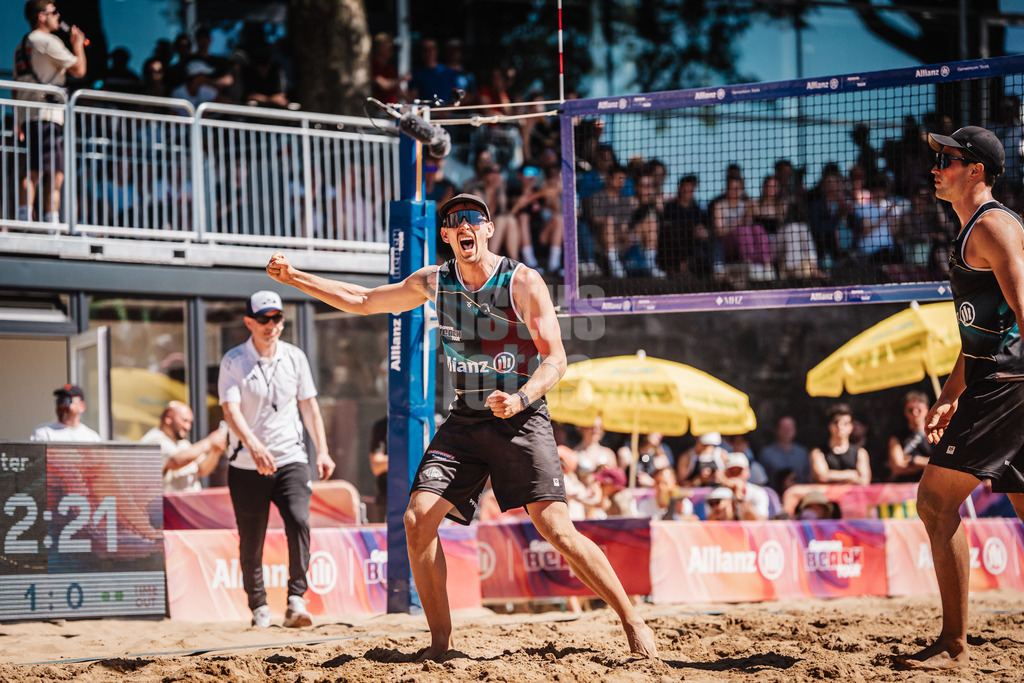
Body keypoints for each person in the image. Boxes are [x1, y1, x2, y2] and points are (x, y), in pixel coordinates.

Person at [266, 192, 658, 661]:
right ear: (447, 236)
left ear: (488, 229)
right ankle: (441, 646)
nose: (462, 224)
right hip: (466, 420)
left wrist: (520, 398)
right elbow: (364, 299)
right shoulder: (435, 281)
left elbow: (556, 358)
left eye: (473, 218)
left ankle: (632, 620)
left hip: (522, 417)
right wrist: (295, 278)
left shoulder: (524, 281)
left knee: (556, 529)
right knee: (417, 521)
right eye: (452, 222)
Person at [896, 125, 1024, 670]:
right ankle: (952, 643)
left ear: (976, 170)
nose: (936, 165)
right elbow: (982, 331)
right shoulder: (977, 229)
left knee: (933, 502)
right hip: (992, 379)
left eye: (948, 158)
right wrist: (952, 392)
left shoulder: (993, 227)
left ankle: (952, 646)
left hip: (1007, 386)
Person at [218, 290, 336, 629]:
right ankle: (258, 607)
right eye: (265, 319)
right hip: (246, 463)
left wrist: (323, 449)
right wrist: (253, 445)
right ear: (249, 322)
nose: (272, 325)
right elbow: (230, 410)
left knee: (299, 521)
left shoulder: (295, 357)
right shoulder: (234, 360)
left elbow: (309, 407)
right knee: (251, 537)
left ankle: (297, 600)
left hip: (290, 457)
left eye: (277, 318)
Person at [14, 0, 87, 224]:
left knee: (36, 169)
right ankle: (47, 222)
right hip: (46, 115)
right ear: (41, 17)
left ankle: (26, 218)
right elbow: (79, 70)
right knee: (52, 172)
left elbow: (16, 90)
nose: (58, 16)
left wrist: (18, 121)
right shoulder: (47, 41)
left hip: (30, 116)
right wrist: (77, 44)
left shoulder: (22, 46)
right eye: (53, 12)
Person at [141, 401, 227, 492]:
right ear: (168, 417)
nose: (188, 427)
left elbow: (202, 469)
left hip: (190, 503)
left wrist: (215, 452)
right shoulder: (153, 440)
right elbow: (175, 461)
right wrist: (209, 442)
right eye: (185, 421)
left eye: (190, 422)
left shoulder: (183, 443)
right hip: (167, 504)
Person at [809, 403, 871, 485]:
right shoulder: (818, 452)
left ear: (851, 427)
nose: (840, 426)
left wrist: (831, 475)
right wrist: (851, 475)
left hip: (853, 497)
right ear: (830, 426)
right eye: (836, 422)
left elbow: (864, 481)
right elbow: (822, 477)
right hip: (827, 497)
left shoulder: (860, 452)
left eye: (845, 423)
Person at [887, 390, 932, 483]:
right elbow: (897, 468)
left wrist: (913, 460)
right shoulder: (897, 437)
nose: (915, 413)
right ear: (905, 412)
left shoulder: (936, 433)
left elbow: (945, 463)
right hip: (907, 490)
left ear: (926, 410)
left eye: (919, 409)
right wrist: (930, 465)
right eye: (910, 410)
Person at [30, 384, 102, 442]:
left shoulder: (92, 438)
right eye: (59, 400)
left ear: (82, 406)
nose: (62, 405)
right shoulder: (44, 432)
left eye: (67, 401)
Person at [759, 415, 811, 485]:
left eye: (790, 428)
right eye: (784, 428)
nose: (787, 431)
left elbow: (808, 477)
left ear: (795, 430)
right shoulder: (766, 453)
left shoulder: (802, 452)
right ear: (777, 430)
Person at [720, 453, 771, 521]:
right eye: (732, 471)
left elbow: (760, 522)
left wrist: (740, 499)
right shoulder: (717, 493)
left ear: (748, 472)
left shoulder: (758, 492)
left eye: (739, 471)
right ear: (725, 473)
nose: (735, 475)